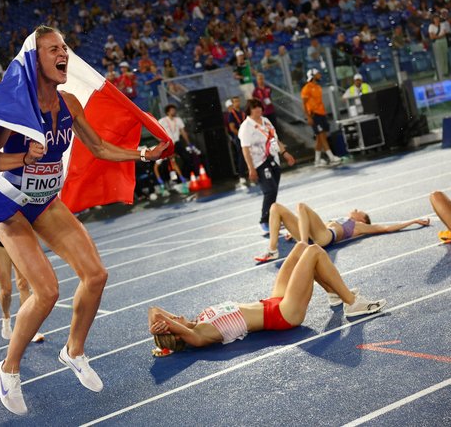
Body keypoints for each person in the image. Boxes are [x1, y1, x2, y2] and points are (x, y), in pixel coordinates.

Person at [0, 26, 169, 415]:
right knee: (47, 291)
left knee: (96, 275)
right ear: (33, 59)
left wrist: (142, 155)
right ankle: (9, 369)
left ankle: (74, 351)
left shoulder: (69, 101)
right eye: (53, 48)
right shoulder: (14, 108)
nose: (64, 54)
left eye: (66, 48)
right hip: (10, 205)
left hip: (44, 200)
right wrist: (23, 158)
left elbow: (99, 147)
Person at [149, 242, 387, 355]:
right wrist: (163, 328)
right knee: (314, 252)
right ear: (176, 332)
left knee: (302, 247)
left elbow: (154, 310)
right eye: (172, 321)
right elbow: (163, 318)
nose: (172, 316)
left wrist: (156, 326)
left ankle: (335, 292)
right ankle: (352, 303)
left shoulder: (197, 321)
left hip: (272, 301)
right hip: (283, 314)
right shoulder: (199, 336)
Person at [255, 202, 430, 262]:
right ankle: (272, 250)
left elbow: (384, 228)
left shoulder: (358, 226)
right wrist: (295, 230)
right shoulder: (342, 219)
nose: (355, 208)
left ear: (363, 219)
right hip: (314, 234)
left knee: (301, 206)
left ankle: (301, 244)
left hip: (324, 237)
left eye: (360, 210)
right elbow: (313, 223)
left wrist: (413, 221)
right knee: (275, 207)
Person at [240, 99, 295, 236]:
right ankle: (264, 221)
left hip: (273, 159)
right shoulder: (246, 127)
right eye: (254, 108)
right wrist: (251, 168)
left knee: (274, 189)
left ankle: (272, 218)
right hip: (259, 162)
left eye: (259, 107)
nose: (258, 109)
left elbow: (275, 140)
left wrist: (285, 153)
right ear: (249, 110)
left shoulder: (266, 121)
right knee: (269, 191)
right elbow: (245, 149)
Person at [301, 69, 341, 168]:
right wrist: (308, 117)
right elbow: (304, 104)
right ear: (313, 75)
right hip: (314, 115)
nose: (320, 75)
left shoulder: (318, 87)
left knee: (319, 138)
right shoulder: (306, 88)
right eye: (318, 74)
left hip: (321, 113)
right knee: (322, 135)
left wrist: (324, 113)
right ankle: (331, 157)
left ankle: (317, 161)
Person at [158, 104, 195, 177]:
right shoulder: (162, 120)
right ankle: (173, 179)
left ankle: (186, 175)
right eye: (172, 110)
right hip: (168, 143)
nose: (174, 111)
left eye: (174, 110)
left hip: (177, 142)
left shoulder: (178, 120)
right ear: (167, 112)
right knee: (169, 162)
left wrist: (188, 143)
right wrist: (160, 140)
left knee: (187, 158)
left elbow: (183, 132)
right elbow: (156, 130)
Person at [225, 96, 249, 189]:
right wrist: (241, 134)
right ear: (232, 103)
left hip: (247, 136)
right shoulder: (232, 114)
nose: (237, 103)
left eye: (238, 101)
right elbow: (232, 128)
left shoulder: (243, 112)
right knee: (242, 156)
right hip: (239, 137)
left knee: (250, 155)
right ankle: (242, 176)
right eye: (235, 102)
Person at [429, 14, 449, 79]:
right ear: (433, 19)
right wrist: (440, 36)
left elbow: (445, 33)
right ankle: (439, 73)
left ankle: (445, 72)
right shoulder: (431, 26)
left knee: (445, 56)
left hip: (444, 41)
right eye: (435, 18)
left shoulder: (443, 25)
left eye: (437, 18)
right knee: (439, 58)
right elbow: (432, 36)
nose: (436, 19)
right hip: (437, 43)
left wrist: (438, 36)